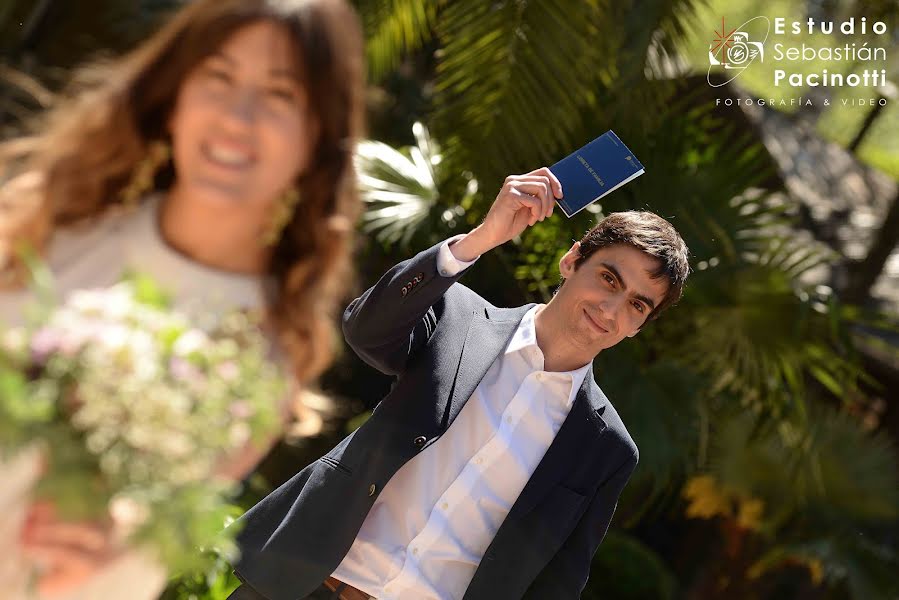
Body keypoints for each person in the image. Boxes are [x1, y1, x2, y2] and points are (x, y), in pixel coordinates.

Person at [0, 0, 365, 596]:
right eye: (218, 77)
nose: (237, 117)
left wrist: (118, 532)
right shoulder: (45, 219)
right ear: (176, 94)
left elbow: (157, 531)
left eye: (280, 94)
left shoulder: (269, 349)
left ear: (318, 135)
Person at [228, 168, 691, 599]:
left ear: (639, 326)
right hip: (305, 582)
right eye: (609, 278)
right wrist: (478, 242)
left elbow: (558, 582)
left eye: (637, 305)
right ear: (571, 261)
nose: (611, 309)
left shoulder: (607, 449)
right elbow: (365, 329)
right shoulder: (459, 317)